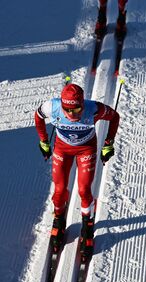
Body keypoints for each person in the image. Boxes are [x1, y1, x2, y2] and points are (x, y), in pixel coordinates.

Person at [34, 84, 120, 258]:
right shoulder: (52, 106)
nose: (73, 115)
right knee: (59, 190)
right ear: (62, 105)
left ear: (83, 103)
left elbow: (114, 117)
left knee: (84, 190)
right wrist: (43, 141)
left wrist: (108, 143)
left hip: (85, 149)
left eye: (77, 109)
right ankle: (59, 219)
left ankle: (87, 226)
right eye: (68, 110)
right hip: (62, 149)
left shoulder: (94, 108)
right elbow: (38, 116)